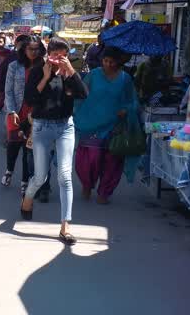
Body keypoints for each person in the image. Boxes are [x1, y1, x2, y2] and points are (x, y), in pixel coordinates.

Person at [20, 38, 88, 245]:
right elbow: (30, 99)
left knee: (65, 176)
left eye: (63, 55)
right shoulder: (39, 70)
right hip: (42, 126)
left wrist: (71, 73)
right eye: (55, 55)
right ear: (47, 54)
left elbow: (84, 94)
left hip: (65, 126)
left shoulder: (69, 73)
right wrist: (46, 76)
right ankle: (28, 198)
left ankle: (65, 226)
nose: (59, 59)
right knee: (40, 176)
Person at [73, 47, 138, 204]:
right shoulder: (94, 75)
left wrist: (126, 110)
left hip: (115, 125)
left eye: (111, 61)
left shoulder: (125, 79)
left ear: (118, 62)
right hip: (91, 124)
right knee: (90, 159)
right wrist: (75, 111)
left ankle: (105, 192)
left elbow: (133, 101)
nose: (108, 64)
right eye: (105, 61)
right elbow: (81, 93)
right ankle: (87, 185)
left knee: (113, 161)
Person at [3, 35, 46, 196]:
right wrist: (12, 111)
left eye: (37, 49)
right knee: (13, 144)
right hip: (16, 111)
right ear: (24, 49)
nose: (33, 52)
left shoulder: (44, 67)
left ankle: (24, 182)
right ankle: (9, 171)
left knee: (28, 149)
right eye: (30, 49)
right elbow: (8, 90)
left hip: (34, 113)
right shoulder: (14, 66)